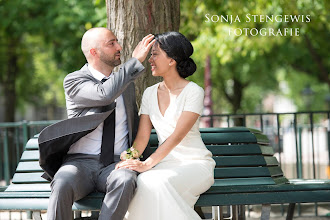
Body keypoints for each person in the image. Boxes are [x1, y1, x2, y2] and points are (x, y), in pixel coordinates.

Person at [38, 27, 155, 220]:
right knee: (62, 181)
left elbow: (133, 122)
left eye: (117, 41)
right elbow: (104, 94)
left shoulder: (125, 85)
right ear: (94, 52)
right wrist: (135, 61)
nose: (119, 47)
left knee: (126, 178)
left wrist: (136, 156)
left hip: (116, 163)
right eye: (111, 43)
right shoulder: (74, 81)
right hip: (79, 164)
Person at [117, 31, 216, 220]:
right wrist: (130, 156)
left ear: (172, 60)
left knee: (153, 181)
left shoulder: (193, 91)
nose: (150, 59)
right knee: (145, 181)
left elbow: (177, 136)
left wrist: (148, 163)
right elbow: (142, 137)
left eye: (155, 54)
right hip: (165, 166)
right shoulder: (149, 93)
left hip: (195, 165)